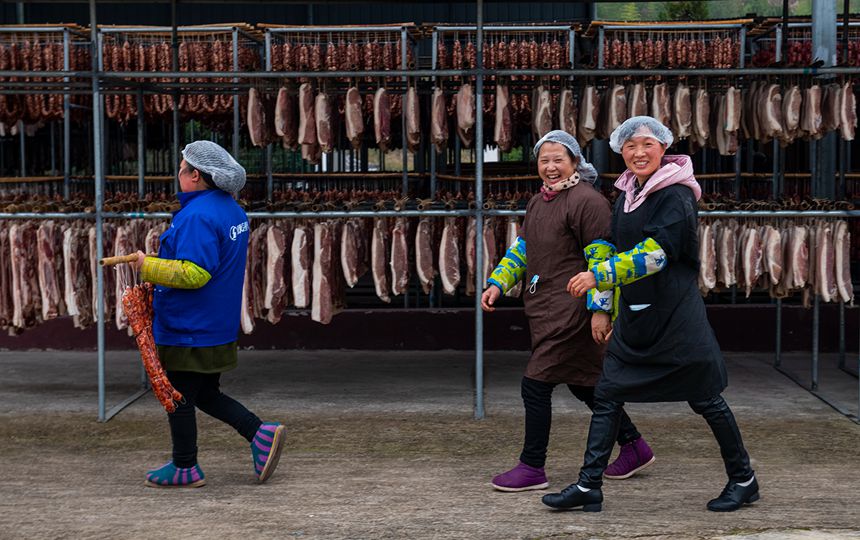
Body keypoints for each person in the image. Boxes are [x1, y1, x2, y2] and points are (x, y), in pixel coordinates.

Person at [542, 117, 758, 512]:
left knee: (706, 399)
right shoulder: (627, 194)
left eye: (647, 145)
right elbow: (607, 242)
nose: (638, 153)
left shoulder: (675, 195)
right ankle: (589, 485)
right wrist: (602, 305)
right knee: (607, 395)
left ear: (663, 148)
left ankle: (743, 479)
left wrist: (599, 275)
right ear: (620, 152)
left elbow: (657, 254)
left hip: (676, 319)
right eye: (630, 147)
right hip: (637, 318)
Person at [482, 130, 654, 493]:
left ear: (575, 161)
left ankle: (532, 466)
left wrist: (601, 311)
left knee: (535, 385)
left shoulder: (587, 202)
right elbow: (523, 250)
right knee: (585, 385)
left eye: (558, 158)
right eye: (544, 160)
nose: (551, 166)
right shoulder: (537, 202)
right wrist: (498, 282)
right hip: (544, 307)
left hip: (573, 310)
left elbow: (602, 261)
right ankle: (635, 446)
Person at [128, 140, 285, 488]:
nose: (178, 175)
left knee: (178, 396)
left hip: (190, 325)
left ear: (195, 175)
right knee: (206, 393)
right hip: (215, 323)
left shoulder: (198, 215)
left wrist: (147, 266)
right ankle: (260, 434)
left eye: (181, 169)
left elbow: (194, 272)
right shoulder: (231, 210)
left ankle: (186, 465)